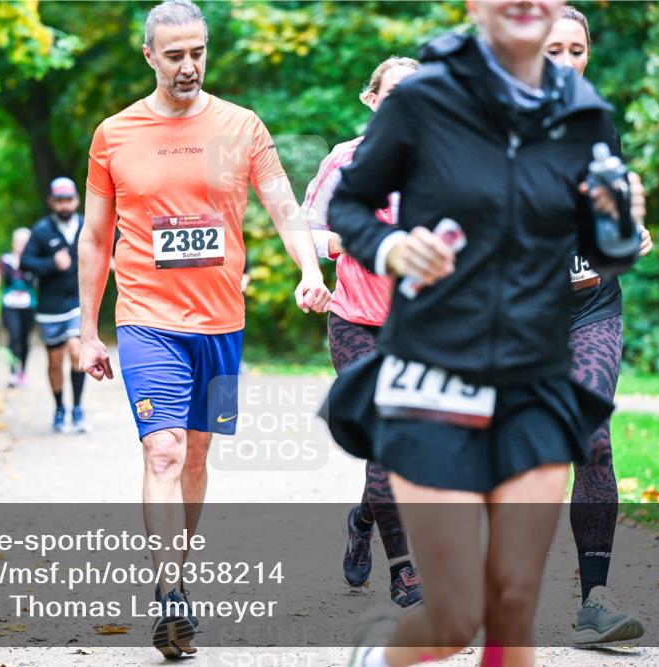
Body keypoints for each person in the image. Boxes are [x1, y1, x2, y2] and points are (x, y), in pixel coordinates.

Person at [325, 1, 639, 665]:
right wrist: (391, 248)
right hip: (438, 367)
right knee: (457, 616)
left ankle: (587, 595)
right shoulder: (425, 99)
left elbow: (601, 240)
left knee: (513, 606)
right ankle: (376, 656)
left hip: (535, 370)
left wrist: (618, 229)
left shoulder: (584, 113)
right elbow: (348, 204)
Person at [76, 0, 331, 657]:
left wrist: (308, 268)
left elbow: (281, 202)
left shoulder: (239, 127)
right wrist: (87, 329)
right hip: (146, 319)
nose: (188, 66)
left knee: (194, 456)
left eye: (198, 53)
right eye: (175, 55)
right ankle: (168, 596)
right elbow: (96, 237)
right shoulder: (115, 134)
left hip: (220, 321)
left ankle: (178, 576)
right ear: (149, 56)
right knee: (160, 450)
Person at [545, 4, 653, 646]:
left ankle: (596, 602)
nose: (566, 63)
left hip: (591, 302)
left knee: (593, 437)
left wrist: (626, 233)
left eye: (576, 50)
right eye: (551, 50)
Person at [301, 56, 423, 608]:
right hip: (355, 319)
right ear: (371, 100)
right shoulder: (345, 160)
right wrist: (340, 246)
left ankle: (362, 520)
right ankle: (404, 570)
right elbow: (305, 225)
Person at [21, 177, 92, 434]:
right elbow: (25, 263)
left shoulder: (87, 225)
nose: (64, 205)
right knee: (55, 361)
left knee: (76, 351)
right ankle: (60, 408)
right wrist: (51, 263)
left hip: (78, 302)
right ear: (52, 202)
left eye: (68, 199)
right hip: (50, 307)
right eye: (59, 200)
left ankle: (78, 409)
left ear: (76, 199)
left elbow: (105, 248)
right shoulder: (41, 231)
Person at [0, 227, 37, 388]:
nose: (21, 245)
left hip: (28, 305)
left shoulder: (33, 261)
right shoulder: (5, 260)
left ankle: (23, 372)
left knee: (25, 339)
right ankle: (12, 372)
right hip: (9, 305)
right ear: (13, 243)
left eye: (25, 242)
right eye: (19, 241)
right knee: (14, 336)